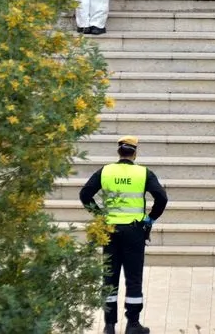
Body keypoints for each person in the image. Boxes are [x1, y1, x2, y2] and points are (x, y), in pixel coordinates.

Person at [79, 136, 168, 334]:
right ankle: (133, 324)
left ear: (119, 152)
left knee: (110, 276)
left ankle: (109, 325)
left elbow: (85, 194)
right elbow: (161, 198)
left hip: (110, 230)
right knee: (133, 277)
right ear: (135, 152)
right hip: (135, 231)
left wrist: (100, 214)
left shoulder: (106, 171)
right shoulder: (143, 173)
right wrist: (150, 219)